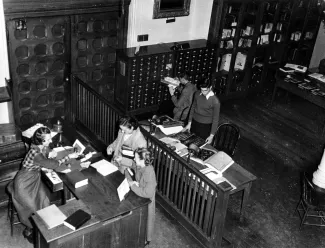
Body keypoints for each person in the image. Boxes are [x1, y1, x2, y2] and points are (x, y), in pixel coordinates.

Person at [11, 127, 78, 243]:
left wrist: (49, 151)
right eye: (47, 140)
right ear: (40, 141)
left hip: (33, 178)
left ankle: (43, 228)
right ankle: (30, 230)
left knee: (44, 200)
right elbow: (53, 164)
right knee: (32, 208)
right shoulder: (36, 154)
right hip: (24, 182)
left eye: (50, 138)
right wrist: (68, 157)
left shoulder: (37, 146)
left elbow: (45, 150)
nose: (50, 141)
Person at [125, 147, 157, 246]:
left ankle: (145, 240)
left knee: (146, 222)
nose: (134, 159)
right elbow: (135, 168)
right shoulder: (141, 165)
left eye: (136, 158)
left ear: (143, 160)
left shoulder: (149, 172)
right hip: (140, 195)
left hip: (147, 201)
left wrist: (133, 185)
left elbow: (148, 193)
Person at [183, 78, 220, 144]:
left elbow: (215, 119)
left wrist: (211, 136)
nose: (203, 92)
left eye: (205, 90)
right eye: (201, 90)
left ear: (210, 87)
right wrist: (189, 123)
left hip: (205, 127)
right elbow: (192, 108)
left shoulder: (215, 101)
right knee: (188, 144)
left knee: (199, 147)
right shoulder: (197, 93)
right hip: (194, 123)